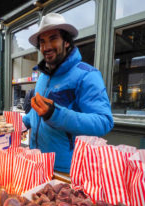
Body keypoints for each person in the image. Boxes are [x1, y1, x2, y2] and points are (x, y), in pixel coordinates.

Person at [22, 13, 114, 173]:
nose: (47, 47)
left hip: (67, 170)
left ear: (66, 42)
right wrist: (20, 122)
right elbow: (39, 115)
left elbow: (104, 122)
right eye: (42, 42)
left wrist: (54, 114)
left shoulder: (87, 75)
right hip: (37, 163)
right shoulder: (43, 77)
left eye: (53, 38)